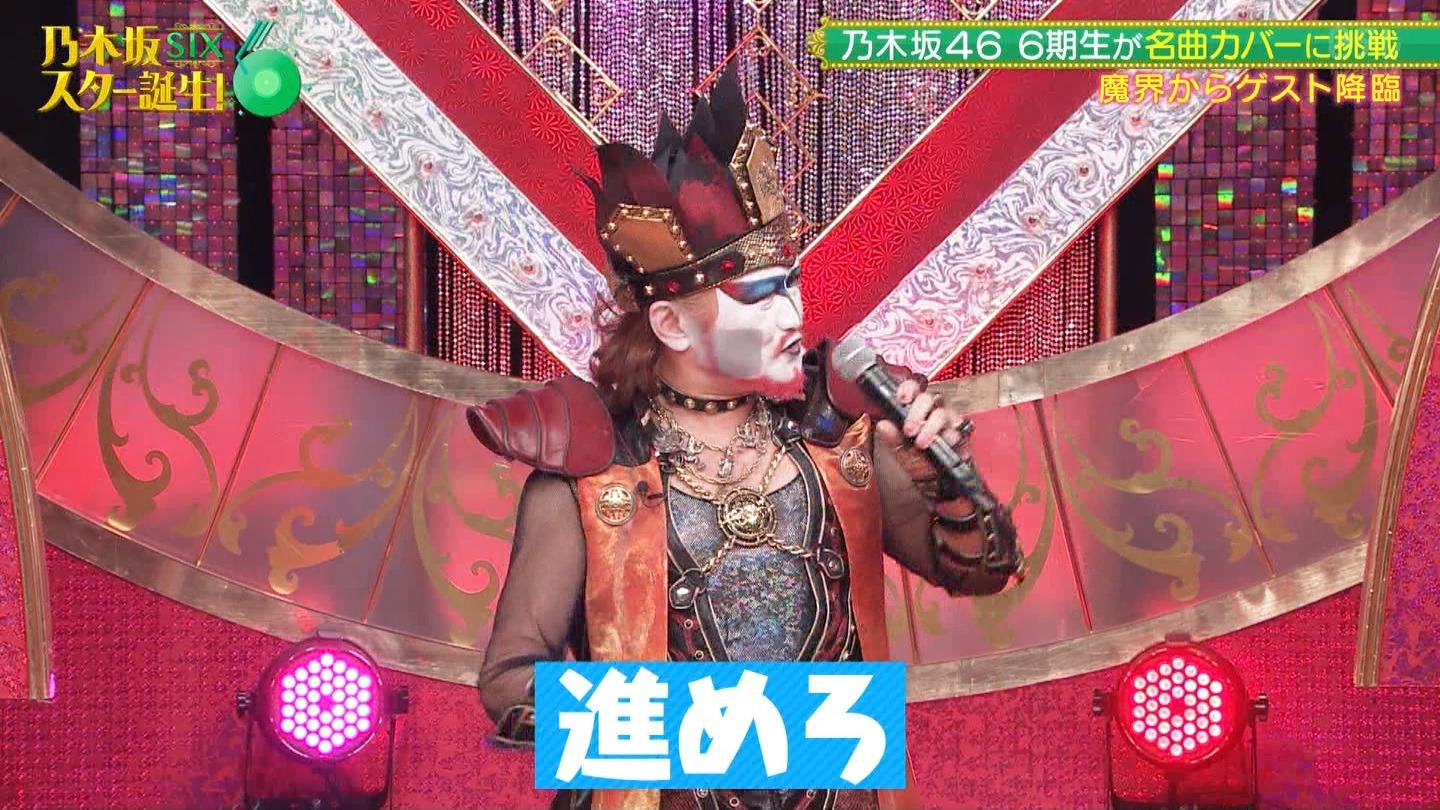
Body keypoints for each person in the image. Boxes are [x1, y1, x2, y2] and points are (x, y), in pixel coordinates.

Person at [466, 65, 1024, 810]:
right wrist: (735, 728)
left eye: (791, 283)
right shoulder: (596, 473)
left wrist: (943, 475)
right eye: (760, 297)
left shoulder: (838, 448)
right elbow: (508, 684)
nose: (792, 313)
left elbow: (985, 572)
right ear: (671, 323)